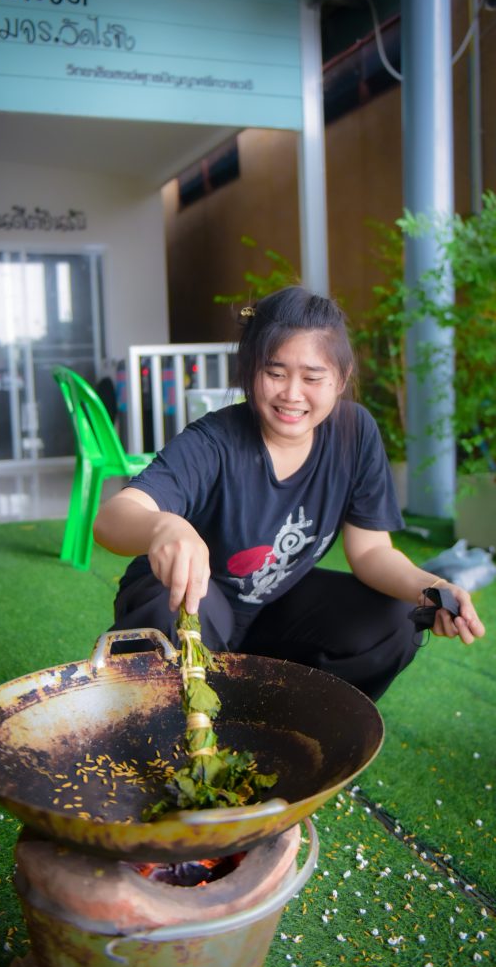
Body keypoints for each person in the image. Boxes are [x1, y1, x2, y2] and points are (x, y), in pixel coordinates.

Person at [93, 287, 484, 701]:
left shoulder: (355, 433)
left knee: (397, 616)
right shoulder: (213, 441)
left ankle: (294, 720)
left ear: (341, 379)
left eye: (312, 378)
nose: (292, 394)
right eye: (275, 373)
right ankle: (166, 718)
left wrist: (431, 587)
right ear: (250, 370)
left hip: (272, 608)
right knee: (173, 609)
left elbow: (371, 551)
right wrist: (164, 527)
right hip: (193, 604)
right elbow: (113, 517)